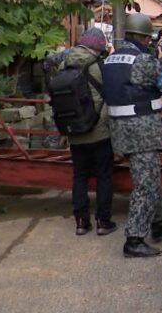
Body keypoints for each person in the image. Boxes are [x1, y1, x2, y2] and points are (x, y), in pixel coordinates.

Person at [101, 12, 162, 258]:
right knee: (145, 184)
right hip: (141, 130)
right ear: (145, 37)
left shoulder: (112, 59)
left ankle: (158, 224)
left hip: (120, 129)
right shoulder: (143, 61)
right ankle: (134, 239)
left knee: (150, 177)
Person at [64, 27, 117, 236]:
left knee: (79, 176)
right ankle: (103, 222)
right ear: (99, 47)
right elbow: (110, 95)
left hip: (75, 131)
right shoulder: (99, 67)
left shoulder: (64, 64)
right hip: (99, 131)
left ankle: (81, 222)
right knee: (104, 176)